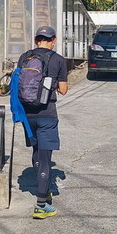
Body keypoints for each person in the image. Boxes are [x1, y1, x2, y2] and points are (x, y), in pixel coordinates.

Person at [17, 26, 68, 219]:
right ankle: (41, 204)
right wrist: (52, 83)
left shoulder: (24, 57)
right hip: (47, 114)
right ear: (53, 40)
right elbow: (63, 90)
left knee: (36, 152)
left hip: (27, 115)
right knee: (46, 158)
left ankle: (42, 187)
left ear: (36, 39)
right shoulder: (58, 60)